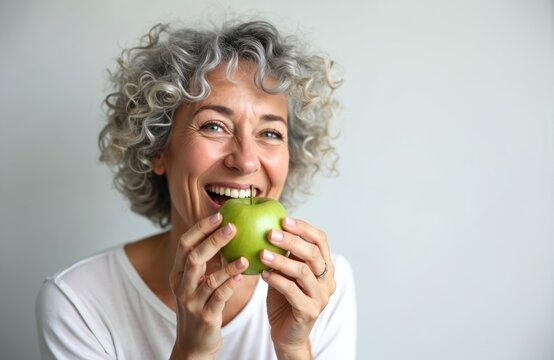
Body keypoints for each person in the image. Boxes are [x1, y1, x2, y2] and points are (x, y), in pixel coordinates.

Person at [35, 18, 356, 360]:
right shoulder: (79, 301)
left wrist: (294, 348)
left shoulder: (321, 287)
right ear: (157, 149)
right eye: (215, 126)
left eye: (270, 133)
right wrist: (191, 350)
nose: (246, 161)